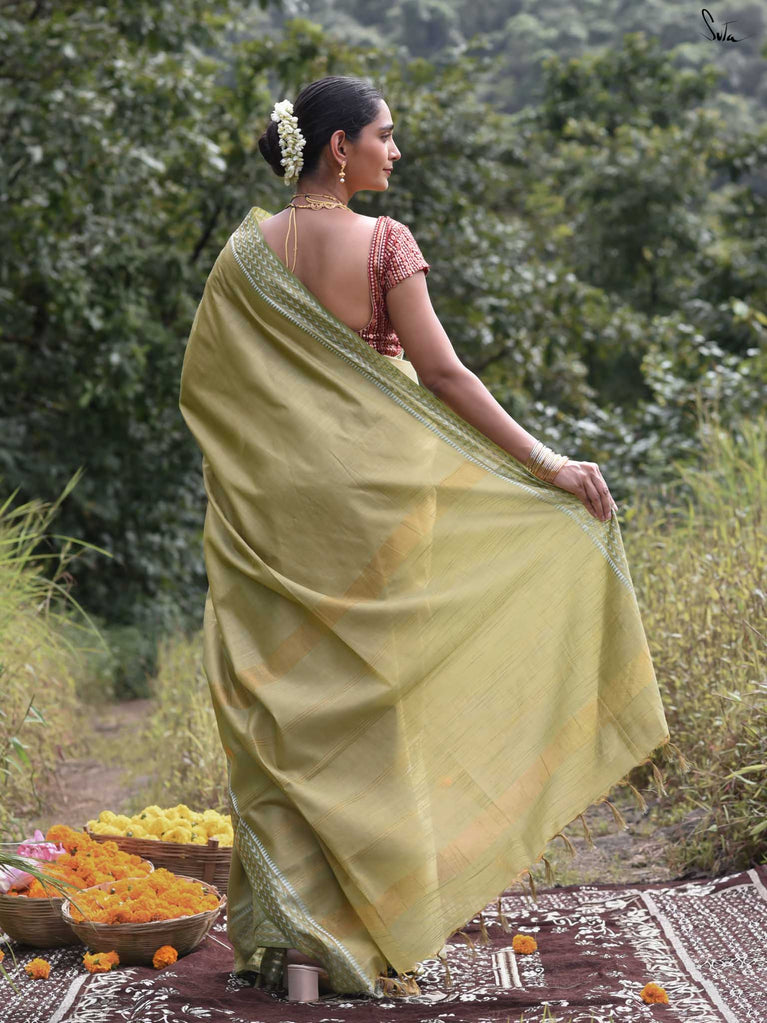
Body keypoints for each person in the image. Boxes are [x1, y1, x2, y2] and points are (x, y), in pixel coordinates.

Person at [178, 75, 668, 1002]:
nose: (394, 152)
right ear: (339, 148)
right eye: (384, 135)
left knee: (288, 717)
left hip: (277, 517)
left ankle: (298, 957)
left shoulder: (244, 257)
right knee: (374, 711)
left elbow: (209, 393)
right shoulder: (383, 244)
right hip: (383, 506)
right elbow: (443, 374)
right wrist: (547, 462)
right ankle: (371, 929)